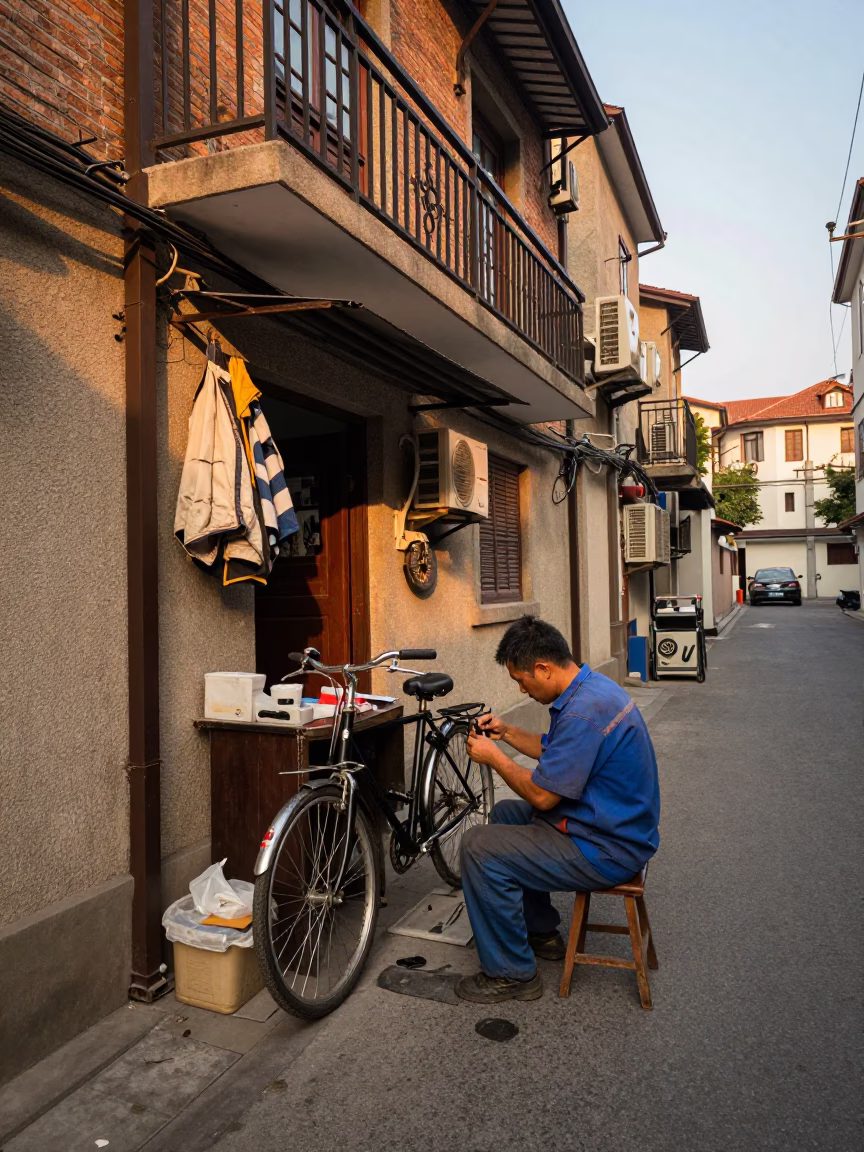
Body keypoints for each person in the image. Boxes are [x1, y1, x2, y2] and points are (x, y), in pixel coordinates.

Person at [455, 615, 660, 1004]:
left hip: (606, 848)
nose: (521, 688)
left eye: (521, 680)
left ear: (543, 668)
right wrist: (508, 732)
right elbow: (556, 752)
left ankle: (512, 974)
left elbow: (544, 797)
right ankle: (541, 932)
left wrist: (494, 757)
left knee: (477, 846)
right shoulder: (591, 690)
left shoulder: (583, 713)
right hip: (614, 827)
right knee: (504, 816)